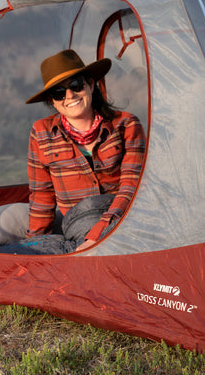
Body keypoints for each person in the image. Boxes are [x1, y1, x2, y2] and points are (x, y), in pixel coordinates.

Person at [23, 49, 146, 252]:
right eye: (59, 93)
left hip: (123, 218)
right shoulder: (41, 132)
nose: (70, 96)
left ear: (90, 84)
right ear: (52, 101)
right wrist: (36, 247)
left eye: (76, 85)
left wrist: (98, 234)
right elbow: (41, 196)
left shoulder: (126, 124)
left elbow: (131, 186)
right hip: (76, 222)